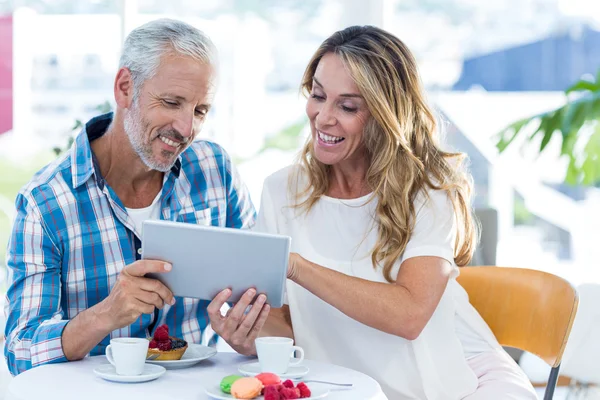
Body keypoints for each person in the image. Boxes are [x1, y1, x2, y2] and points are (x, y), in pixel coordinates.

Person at [254, 26, 538, 400]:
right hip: (346, 386)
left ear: (386, 114)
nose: (323, 117)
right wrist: (247, 331)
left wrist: (295, 266)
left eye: (347, 106)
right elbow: (292, 327)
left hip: (449, 380)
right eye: (318, 95)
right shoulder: (281, 191)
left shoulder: (428, 189)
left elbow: (409, 315)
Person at [4, 18, 270, 376]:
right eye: (172, 102)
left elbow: (261, 297)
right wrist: (105, 314)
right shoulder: (46, 203)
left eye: (200, 110)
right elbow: (21, 350)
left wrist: (248, 334)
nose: (186, 128)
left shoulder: (213, 169)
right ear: (126, 87)